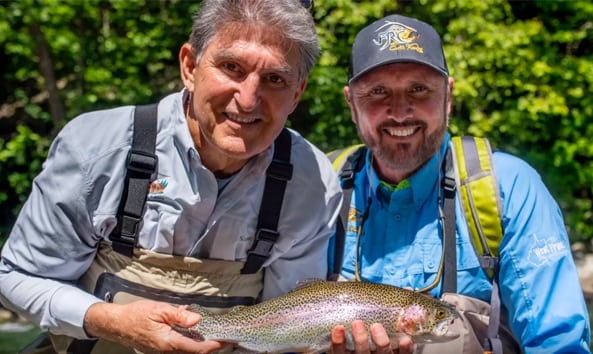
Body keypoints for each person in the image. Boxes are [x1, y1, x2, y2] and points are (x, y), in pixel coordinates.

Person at [0, 0, 343, 353]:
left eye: (274, 79)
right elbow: (19, 276)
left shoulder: (312, 185)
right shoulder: (96, 148)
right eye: (231, 67)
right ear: (190, 66)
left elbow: (283, 332)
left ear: (297, 94)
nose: (248, 99)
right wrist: (111, 321)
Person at [328, 13, 591, 354]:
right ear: (351, 103)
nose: (399, 111)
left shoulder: (507, 189)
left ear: (448, 96)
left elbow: (559, 344)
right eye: (378, 92)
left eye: (419, 89)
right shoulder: (323, 188)